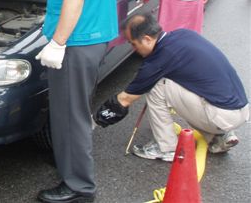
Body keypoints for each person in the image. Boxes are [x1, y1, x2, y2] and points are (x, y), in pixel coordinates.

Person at [33, 0, 118, 203]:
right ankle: (72, 171)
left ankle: (79, 188)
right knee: (71, 113)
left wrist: (57, 42)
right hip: (86, 37)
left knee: (71, 117)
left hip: (77, 41)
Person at [94, 13, 249, 161]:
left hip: (222, 116)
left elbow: (125, 100)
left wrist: (94, 121)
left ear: (147, 39)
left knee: (156, 86)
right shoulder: (183, 34)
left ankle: (167, 148)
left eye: (133, 44)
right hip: (239, 108)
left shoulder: (159, 59)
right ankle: (220, 136)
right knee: (180, 83)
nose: (134, 49)